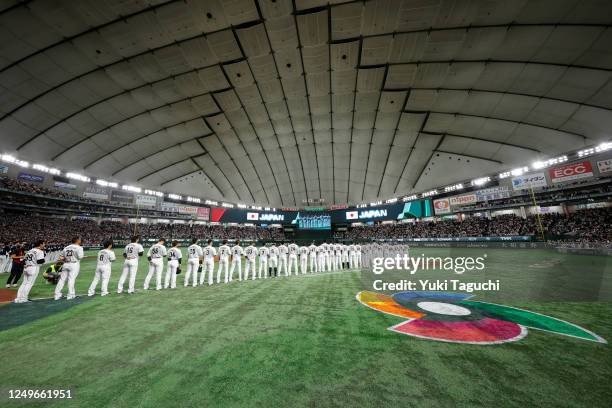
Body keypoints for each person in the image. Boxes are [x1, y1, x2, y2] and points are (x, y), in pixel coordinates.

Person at [55, 236, 84, 300]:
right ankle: (70, 295)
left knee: (62, 280)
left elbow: (61, 257)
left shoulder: (66, 247)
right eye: (80, 240)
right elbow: (80, 257)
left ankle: (57, 295)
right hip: (74, 264)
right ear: (77, 240)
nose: (80, 241)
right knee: (71, 279)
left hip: (65, 264)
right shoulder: (79, 247)